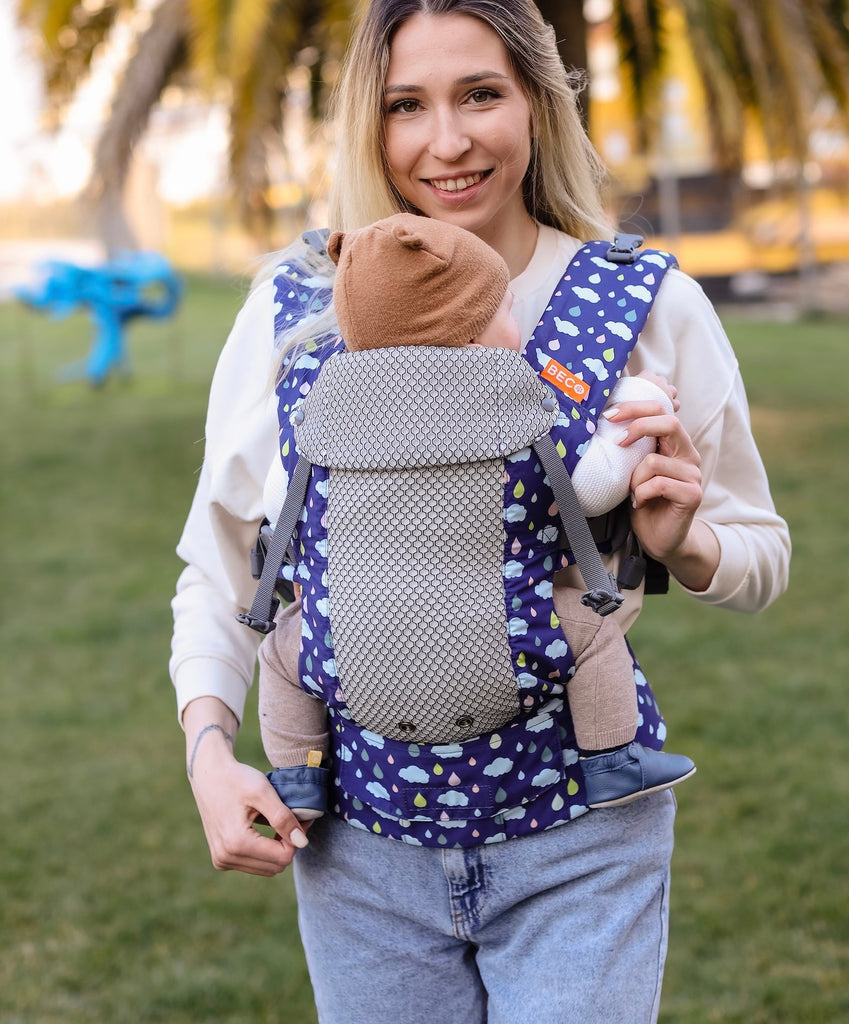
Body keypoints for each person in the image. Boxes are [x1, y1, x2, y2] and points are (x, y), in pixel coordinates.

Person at [170, 1, 791, 1021]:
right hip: (360, 858)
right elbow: (224, 564)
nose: (445, 141)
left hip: (581, 847)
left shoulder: (641, 302)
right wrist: (207, 748)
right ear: (368, 124)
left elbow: (762, 554)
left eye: (480, 95)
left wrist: (687, 544)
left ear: (539, 106)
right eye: (405, 104)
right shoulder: (297, 306)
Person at [255, 211, 697, 822]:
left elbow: (282, 501)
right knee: (596, 633)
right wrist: (639, 398)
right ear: (466, 335)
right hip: (512, 640)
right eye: (506, 311)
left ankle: (298, 777)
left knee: (281, 652)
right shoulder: (515, 407)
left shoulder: (319, 412)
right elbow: (592, 489)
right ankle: (611, 761)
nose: (518, 325)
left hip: (350, 648)